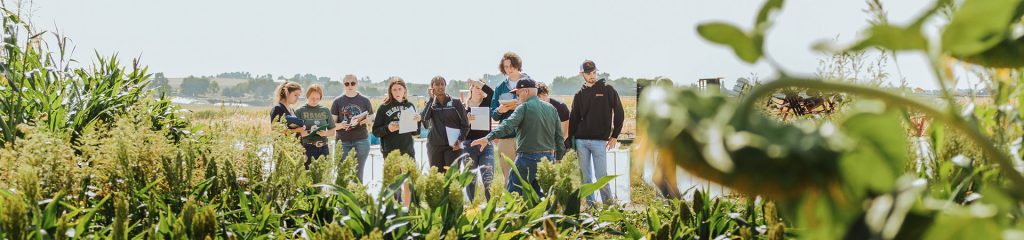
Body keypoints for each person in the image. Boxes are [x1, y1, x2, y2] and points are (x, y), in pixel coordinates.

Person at [471, 77, 564, 197]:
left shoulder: (523, 107)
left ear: (526, 91)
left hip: (527, 159)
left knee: (513, 195)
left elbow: (508, 125)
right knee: (540, 197)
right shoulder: (551, 108)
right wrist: (559, 158)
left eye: (518, 93)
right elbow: (559, 136)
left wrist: (488, 137)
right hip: (547, 158)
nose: (517, 97)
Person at [569, 60, 625, 205]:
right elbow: (573, 119)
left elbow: (619, 112)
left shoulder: (608, 90)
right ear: (582, 74)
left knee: (601, 177)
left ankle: (608, 207)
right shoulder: (578, 95)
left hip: (600, 141)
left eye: (594, 72)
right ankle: (591, 208)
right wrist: (570, 142)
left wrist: (614, 135)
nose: (592, 75)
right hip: (581, 142)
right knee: (586, 178)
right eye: (588, 73)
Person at [421, 76, 470, 173]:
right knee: (437, 178)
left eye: (442, 84)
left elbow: (465, 124)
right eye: (437, 84)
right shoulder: (431, 104)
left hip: (453, 146)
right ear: (432, 88)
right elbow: (425, 119)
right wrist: (431, 99)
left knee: (452, 177)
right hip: (434, 146)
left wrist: (460, 140)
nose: (440, 87)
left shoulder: (455, 103)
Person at [490, 52, 527, 180]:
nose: (509, 69)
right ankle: (510, 200)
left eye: (511, 66)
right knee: (509, 177)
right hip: (506, 137)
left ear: (518, 65)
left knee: (527, 176)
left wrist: (521, 106)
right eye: (506, 67)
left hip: (527, 135)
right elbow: (494, 114)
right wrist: (500, 110)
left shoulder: (529, 83)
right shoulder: (500, 88)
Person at [331, 74, 373, 181]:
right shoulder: (337, 101)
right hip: (342, 142)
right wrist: (341, 125)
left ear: (357, 84)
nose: (350, 86)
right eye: (347, 84)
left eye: (353, 83)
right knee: (342, 175)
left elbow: (372, 120)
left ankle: (357, 197)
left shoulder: (365, 100)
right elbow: (331, 125)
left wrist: (367, 120)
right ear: (343, 85)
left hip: (361, 141)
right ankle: (343, 197)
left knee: (358, 176)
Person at [372, 77, 421, 158]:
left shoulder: (409, 106)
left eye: (399, 89)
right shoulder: (383, 107)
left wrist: (418, 121)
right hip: (390, 153)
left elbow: (415, 133)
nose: (397, 92)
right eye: (394, 90)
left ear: (404, 90)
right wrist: (388, 128)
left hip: (408, 152)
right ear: (390, 91)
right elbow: (375, 131)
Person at [464, 79, 495, 200]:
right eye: (476, 87)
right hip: (469, 145)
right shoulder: (463, 108)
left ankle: (491, 208)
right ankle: (473, 208)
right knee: (470, 179)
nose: (479, 90)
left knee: (488, 178)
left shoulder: (487, 103)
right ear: (470, 89)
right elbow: (460, 131)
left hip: (486, 144)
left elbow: (492, 93)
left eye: (481, 88)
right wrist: (467, 122)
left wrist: (478, 82)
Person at [295, 84, 336, 169]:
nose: (315, 101)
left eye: (317, 99)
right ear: (307, 96)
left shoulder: (325, 110)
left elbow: (332, 131)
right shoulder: (300, 111)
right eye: (312, 98)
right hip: (307, 149)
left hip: (323, 148)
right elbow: (295, 133)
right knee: (308, 177)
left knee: (323, 178)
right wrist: (305, 133)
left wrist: (325, 133)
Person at [537, 82, 571, 157]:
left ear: (547, 94)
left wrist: (552, 148)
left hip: (562, 147)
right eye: (538, 96)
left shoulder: (561, 106)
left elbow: (565, 133)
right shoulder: (536, 108)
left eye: (543, 95)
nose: (541, 98)